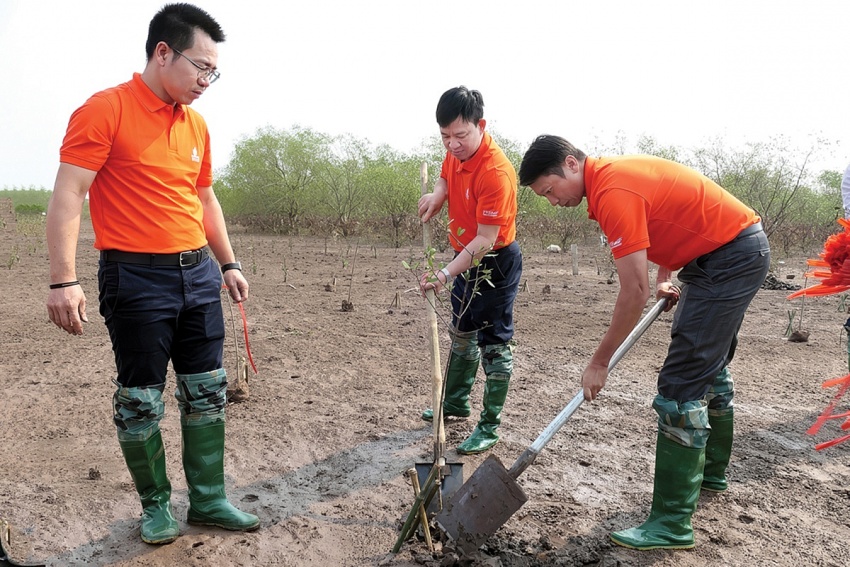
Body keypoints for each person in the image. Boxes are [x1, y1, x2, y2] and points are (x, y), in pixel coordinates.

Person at [45, 3, 259, 545]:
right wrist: (62, 279)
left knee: (207, 389)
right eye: (201, 67)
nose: (208, 81)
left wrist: (228, 262)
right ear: (163, 53)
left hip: (198, 275)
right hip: (135, 278)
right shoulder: (105, 110)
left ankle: (209, 500)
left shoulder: (197, 125)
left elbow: (204, 197)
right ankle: (156, 506)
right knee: (141, 397)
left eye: (215, 71)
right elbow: (69, 193)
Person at [519, 135, 770, 550]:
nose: (553, 201)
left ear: (570, 164)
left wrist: (599, 362)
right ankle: (711, 474)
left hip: (728, 258)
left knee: (680, 386)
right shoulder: (613, 178)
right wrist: (663, 277)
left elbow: (631, 291)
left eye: (549, 190)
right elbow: (667, 219)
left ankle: (672, 524)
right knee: (708, 365)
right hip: (726, 252)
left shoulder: (613, 190)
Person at [418, 86, 523, 455]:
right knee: (462, 331)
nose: (452, 144)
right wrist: (437, 195)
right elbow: (446, 175)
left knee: (494, 343)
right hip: (463, 257)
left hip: (494, 261)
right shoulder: (454, 154)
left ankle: (489, 425)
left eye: (460, 135)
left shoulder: (497, 172)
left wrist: (445, 273)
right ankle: (454, 404)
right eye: (445, 136)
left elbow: (484, 240)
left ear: (481, 125)